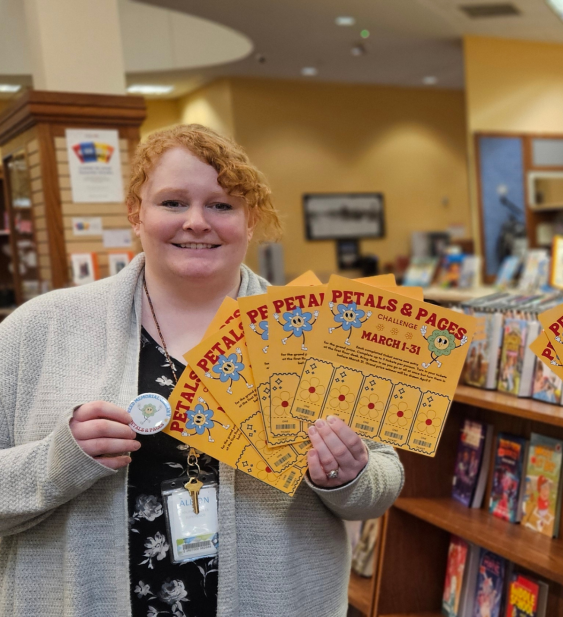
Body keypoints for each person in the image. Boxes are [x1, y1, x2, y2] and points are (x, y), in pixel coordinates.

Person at [0, 124, 404, 617]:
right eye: (172, 203)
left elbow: (380, 485)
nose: (196, 221)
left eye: (222, 204)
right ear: (136, 213)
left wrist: (348, 476)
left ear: (250, 220)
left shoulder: (317, 330)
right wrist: (57, 461)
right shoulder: (40, 329)